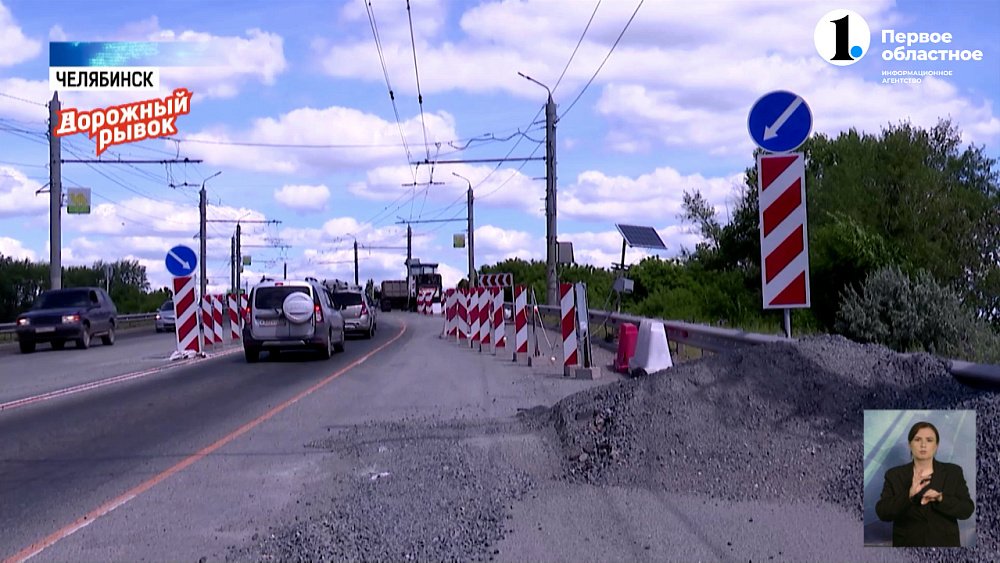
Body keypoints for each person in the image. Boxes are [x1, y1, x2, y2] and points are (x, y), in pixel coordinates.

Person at [875, 421, 975, 547]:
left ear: (936, 445)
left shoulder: (953, 472)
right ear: (910, 444)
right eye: (917, 440)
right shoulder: (894, 475)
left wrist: (941, 498)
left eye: (929, 440)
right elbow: (883, 512)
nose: (923, 445)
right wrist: (909, 495)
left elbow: (967, 509)